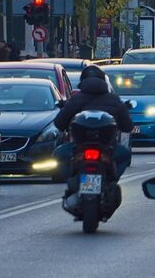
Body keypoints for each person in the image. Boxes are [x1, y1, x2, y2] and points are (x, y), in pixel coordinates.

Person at [54, 65, 134, 209]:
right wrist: (113, 178)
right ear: (104, 81)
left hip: (79, 148)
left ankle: (73, 180)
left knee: (59, 154)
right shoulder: (114, 99)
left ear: (83, 81)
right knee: (125, 155)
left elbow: (59, 123)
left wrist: (70, 176)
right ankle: (111, 180)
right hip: (107, 148)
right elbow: (127, 126)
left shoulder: (76, 99)